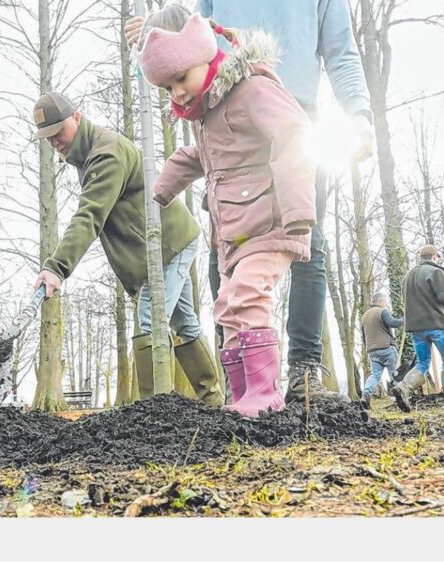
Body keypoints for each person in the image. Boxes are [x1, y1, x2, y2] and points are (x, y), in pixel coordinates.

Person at [126, 0, 375, 405]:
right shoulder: (194, 82)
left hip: (293, 116)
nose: (172, 93)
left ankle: (301, 373)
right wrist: (154, 34)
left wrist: (358, 114)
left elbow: (342, 51)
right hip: (221, 111)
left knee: (304, 242)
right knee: (225, 264)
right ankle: (241, 380)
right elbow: (193, 29)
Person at [135, 7, 316, 417]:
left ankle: (265, 394)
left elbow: (294, 135)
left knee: (249, 292)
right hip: (234, 234)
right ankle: (242, 394)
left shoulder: (252, 90)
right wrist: (162, 189)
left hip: (271, 221)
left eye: (180, 78)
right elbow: (198, 156)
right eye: (166, 88)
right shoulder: (204, 114)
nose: (177, 93)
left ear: (203, 55)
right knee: (227, 305)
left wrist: (298, 209)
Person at [30, 92, 224, 406]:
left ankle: (148, 413)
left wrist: (56, 267)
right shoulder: (89, 154)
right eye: (47, 137)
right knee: (184, 322)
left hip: (167, 244)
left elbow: (90, 214)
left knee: (149, 318)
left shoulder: (106, 154)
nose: (55, 141)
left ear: (77, 117)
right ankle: (214, 402)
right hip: (170, 240)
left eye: (58, 131)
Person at [390, 245, 444, 412]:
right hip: (437, 324)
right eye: (437, 256)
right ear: (433, 256)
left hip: (417, 328)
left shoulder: (408, 276)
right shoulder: (435, 272)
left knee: (422, 363)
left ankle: (403, 387)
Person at [359, 292, 403, 410]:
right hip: (386, 347)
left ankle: (366, 395)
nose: (385, 304)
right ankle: (398, 400)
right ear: (380, 302)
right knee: (394, 373)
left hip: (372, 350)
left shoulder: (364, 316)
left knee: (375, 375)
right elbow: (393, 323)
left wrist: (368, 348)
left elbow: (363, 336)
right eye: (385, 302)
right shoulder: (382, 311)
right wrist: (405, 319)